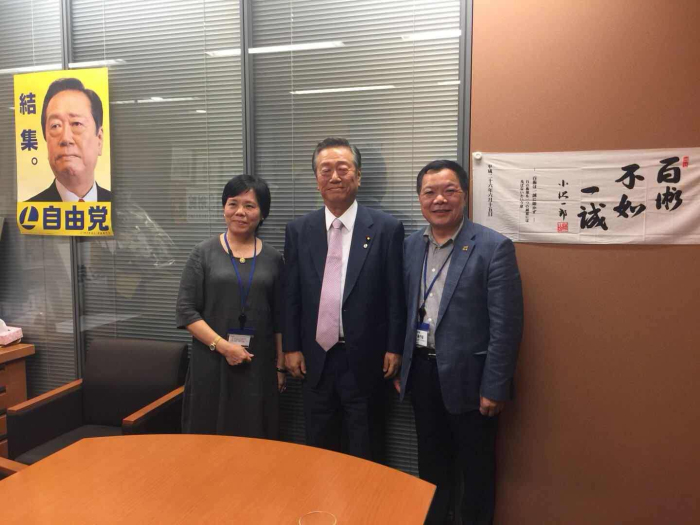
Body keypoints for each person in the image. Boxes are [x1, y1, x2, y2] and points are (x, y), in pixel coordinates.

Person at [396, 160, 523, 524]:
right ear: (420, 199)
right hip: (422, 374)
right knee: (431, 466)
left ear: (464, 195)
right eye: (429, 192)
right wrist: (403, 366)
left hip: (472, 380)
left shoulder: (493, 247)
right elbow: (402, 310)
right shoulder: (410, 246)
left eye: (449, 191)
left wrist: (494, 386)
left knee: (476, 471)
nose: (439, 199)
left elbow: (506, 326)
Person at [284, 137, 405, 462]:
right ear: (317, 180)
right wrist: (291, 347)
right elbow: (291, 294)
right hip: (315, 359)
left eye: (342, 168)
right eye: (326, 170)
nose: (334, 177)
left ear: (358, 176)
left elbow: (395, 294)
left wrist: (394, 347)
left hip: (367, 358)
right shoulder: (299, 230)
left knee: (367, 448)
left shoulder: (386, 228)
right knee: (319, 446)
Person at [176, 175, 285, 437]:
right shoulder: (203, 253)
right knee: (209, 436)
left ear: (263, 213)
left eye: (250, 205)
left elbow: (280, 317)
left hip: (258, 365)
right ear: (224, 208)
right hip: (211, 362)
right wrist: (224, 347)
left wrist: (280, 366)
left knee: (256, 436)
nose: (240, 212)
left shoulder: (273, 258)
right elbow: (186, 311)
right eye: (233, 203)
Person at [27, 77, 112, 202]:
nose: (66, 138)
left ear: (99, 139)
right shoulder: (29, 211)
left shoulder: (121, 208)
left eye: (76, 123)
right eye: (55, 126)